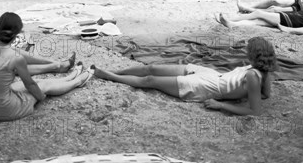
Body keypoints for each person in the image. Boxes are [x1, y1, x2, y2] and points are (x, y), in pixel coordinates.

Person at [93, 37, 276, 116]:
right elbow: (266, 95)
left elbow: (255, 111)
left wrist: (221, 104)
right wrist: (241, 92)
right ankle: (115, 72)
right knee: (152, 67)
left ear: (254, 55)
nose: (245, 52)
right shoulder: (262, 70)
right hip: (213, 76)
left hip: (207, 87)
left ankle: (108, 76)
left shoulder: (253, 76)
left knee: (150, 81)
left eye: (248, 50)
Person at [0, 12, 93, 120]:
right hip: (5, 109)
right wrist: (41, 97)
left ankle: (67, 78)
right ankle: (77, 81)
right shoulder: (16, 58)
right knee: (42, 84)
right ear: (18, 32)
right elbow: (30, 84)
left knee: (33, 82)